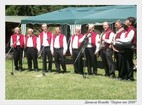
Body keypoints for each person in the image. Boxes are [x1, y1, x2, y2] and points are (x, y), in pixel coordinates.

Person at [115, 17, 136, 81]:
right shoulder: (127, 29)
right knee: (125, 63)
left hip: (129, 48)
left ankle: (130, 77)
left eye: (127, 21)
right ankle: (126, 76)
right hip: (125, 48)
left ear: (130, 22)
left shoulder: (132, 30)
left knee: (128, 63)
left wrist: (118, 40)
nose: (125, 21)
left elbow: (128, 40)